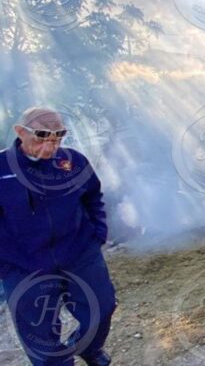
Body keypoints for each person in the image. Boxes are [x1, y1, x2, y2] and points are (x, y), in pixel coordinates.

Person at [0, 107, 116, 366]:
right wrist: (5, 264)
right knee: (40, 335)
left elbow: (92, 197)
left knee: (101, 308)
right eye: (41, 139)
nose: (49, 147)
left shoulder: (72, 162)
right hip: (23, 264)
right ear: (20, 132)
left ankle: (88, 348)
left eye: (56, 139)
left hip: (78, 253)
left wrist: (98, 234)